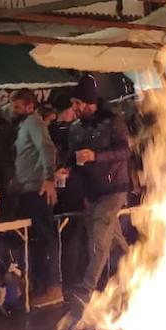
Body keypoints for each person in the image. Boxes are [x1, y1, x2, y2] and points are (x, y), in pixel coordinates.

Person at [65, 74, 130, 303]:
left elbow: (125, 151)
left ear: (89, 103)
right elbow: (72, 157)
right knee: (111, 236)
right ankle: (133, 268)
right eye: (72, 103)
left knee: (98, 236)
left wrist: (96, 156)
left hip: (114, 188)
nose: (74, 107)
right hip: (92, 190)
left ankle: (87, 287)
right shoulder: (75, 128)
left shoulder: (113, 121)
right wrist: (66, 169)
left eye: (77, 103)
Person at [9, 89, 62, 308]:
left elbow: (47, 148)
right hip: (26, 190)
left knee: (45, 239)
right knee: (36, 241)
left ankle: (52, 287)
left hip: (36, 190)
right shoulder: (23, 126)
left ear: (30, 106)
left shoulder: (33, 122)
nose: (14, 110)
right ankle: (40, 286)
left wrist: (49, 179)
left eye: (18, 106)